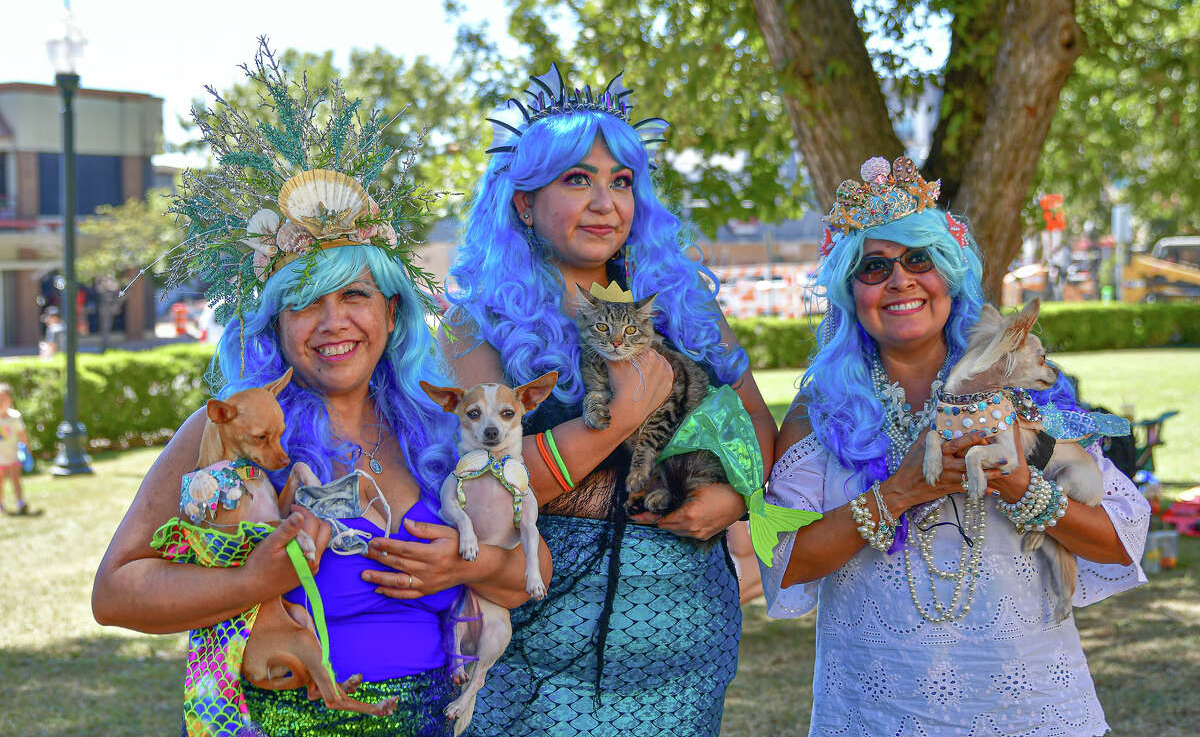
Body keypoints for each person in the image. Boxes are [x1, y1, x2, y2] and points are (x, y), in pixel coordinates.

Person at [91, 42, 549, 737]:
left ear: (392, 312)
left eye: (357, 295)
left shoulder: (443, 428)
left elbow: (527, 577)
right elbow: (116, 592)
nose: (335, 323)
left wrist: (457, 567)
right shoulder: (227, 433)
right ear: (274, 324)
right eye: (306, 302)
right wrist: (253, 583)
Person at [760, 156, 1151, 735]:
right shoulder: (818, 413)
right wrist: (896, 494)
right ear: (849, 290)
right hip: (873, 712)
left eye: (920, 259)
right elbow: (784, 562)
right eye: (874, 267)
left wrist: (1018, 484)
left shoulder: (1021, 389)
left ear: (950, 271)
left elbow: (1121, 543)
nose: (901, 281)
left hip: (1032, 709)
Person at [443, 65, 779, 736]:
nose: (605, 203)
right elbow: (483, 484)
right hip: (542, 643)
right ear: (522, 203)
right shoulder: (475, 326)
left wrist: (738, 497)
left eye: (620, 182)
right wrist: (617, 421)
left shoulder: (683, 304)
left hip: (687, 632)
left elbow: (758, 428)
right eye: (577, 179)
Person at [0, 382, 30, 515]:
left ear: (9, 400)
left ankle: (20, 502)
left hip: (13, 455)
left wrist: (27, 450)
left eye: (3, 399)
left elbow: (21, 434)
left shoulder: (15, 417)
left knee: (16, 480)